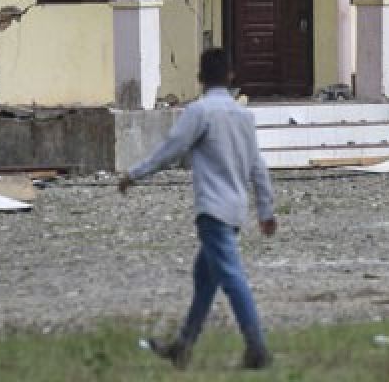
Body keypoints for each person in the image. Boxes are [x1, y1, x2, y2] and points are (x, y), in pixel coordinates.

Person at [118, 47, 276, 371]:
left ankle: (256, 346)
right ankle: (183, 345)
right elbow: (258, 167)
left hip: (211, 210)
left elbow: (170, 150)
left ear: (200, 78)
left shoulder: (199, 112)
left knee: (231, 277)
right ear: (231, 76)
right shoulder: (243, 116)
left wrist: (135, 174)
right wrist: (265, 210)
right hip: (234, 209)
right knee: (205, 277)